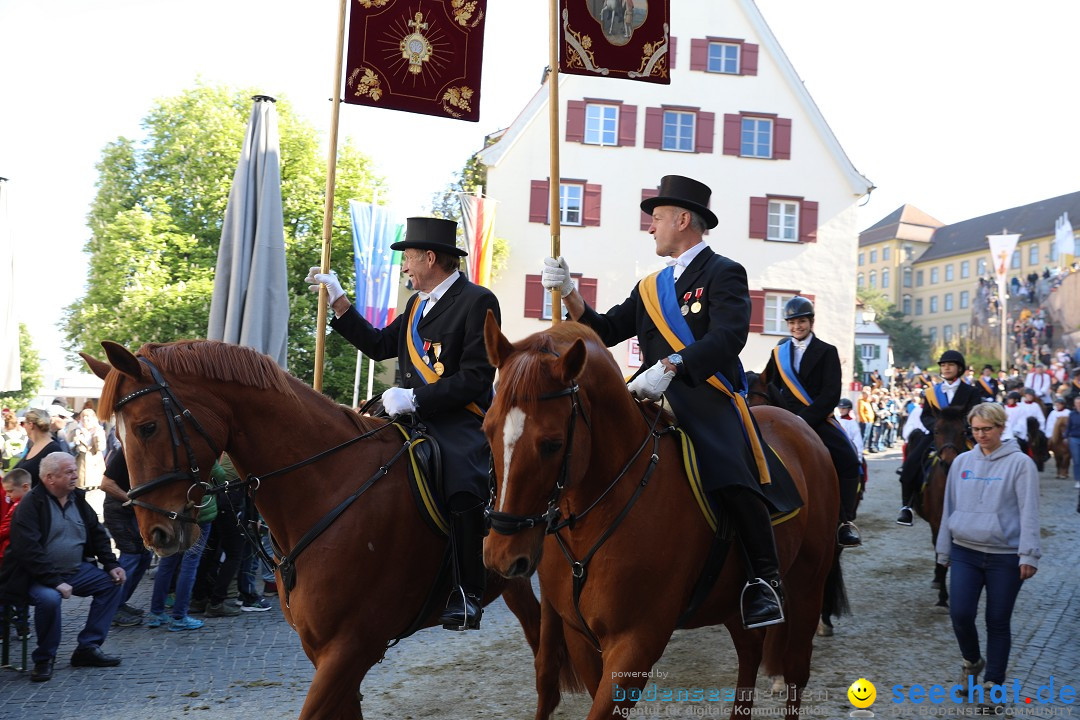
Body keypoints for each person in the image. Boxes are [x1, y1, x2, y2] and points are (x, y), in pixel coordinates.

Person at [540, 174, 791, 629]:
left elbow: (729, 335)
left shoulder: (724, 271)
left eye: (656, 219)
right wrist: (570, 291)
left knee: (729, 468)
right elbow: (606, 329)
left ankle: (764, 581)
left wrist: (674, 365)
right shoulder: (651, 286)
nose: (651, 228)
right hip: (647, 393)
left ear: (683, 219)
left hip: (704, 392)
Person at [306, 216, 500, 631]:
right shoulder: (415, 305)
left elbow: (477, 377)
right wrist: (340, 300)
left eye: (408, 259)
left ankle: (467, 593)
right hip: (405, 413)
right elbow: (379, 345)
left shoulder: (478, 300)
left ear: (431, 258)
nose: (405, 268)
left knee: (464, 487)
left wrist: (416, 396)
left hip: (456, 419)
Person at [935, 403, 1040, 696]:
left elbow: (1029, 510)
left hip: (1004, 556)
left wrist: (1029, 553)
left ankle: (994, 683)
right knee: (960, 614)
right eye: (976, 429)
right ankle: (972, 659)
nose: (981, 435)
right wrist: (944, 550)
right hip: (965, 551)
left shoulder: (1021, 465)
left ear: (1001, 427)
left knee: (997, 620)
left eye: (987, 429)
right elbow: (949, 508)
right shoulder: (961, 463)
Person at [0, 452, 126, 682]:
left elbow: (97, 533)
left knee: (112, 584)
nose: (75, 475)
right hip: (35, 576)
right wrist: (55, 582)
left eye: (74, 471)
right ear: (50, 478)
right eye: (68, 472)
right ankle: (44, 658)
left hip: (75, 570)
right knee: (49, 599)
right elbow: (28, 550)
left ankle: (87, 648)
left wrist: (111, 564)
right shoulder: (31, 504)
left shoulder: (76, 498)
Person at [763, 297, 862, 547]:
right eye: (793, 322)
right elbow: (769, 385)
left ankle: (845, 521)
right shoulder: (778, 353)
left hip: (816, 418)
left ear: (811, 322)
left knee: (849, 459)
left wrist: (802, 419)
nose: (797, 326)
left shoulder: (827, 351)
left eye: (802, 321)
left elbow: (830, 394)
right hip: (783, 416)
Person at [895, 350, 979, 526]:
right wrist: (938, 427)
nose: (946, 368)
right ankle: (907, 507)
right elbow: (926, 416)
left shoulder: (971, 391)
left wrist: (961, 427)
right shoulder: (932, 392)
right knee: (910, 464)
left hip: (962, 435)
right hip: (937, 435)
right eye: (943, 365)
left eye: (950, 365)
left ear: (959, 368)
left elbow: (975, 413)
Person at [99, 452, 154, 627]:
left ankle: (120, 602)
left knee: (145, 556)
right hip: (118, 511)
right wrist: (133, 502)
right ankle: (113, 608)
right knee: (132, 556)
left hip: (133, 512)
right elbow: (106, 484)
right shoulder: (124, 452)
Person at [13, 409, 63, 487]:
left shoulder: (53, 449)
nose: (23, 427)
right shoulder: (33, 445)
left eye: (23, 423)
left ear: (31, 425)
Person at [69, 408, 106, 490]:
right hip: (80, 467)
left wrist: (97, 437)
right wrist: (75, 442)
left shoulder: (99, 430)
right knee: (80, 490)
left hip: (95, 467)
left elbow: (101, 447)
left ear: (93, 418)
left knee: (94, 493)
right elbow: (69, 447)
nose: (85, 419)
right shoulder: (76, 431)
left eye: (87, 416)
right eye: (83, 416)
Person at [0, 468, 31, 562]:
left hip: (10, 554)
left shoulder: (20, 506)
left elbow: (4, 529)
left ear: (25, 487)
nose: (7, 495)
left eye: (10, 491)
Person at [1003, 389, 1043, 455]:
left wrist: (1016, 431)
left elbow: (1021, 422)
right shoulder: (1004, 408)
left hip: (1019, 432)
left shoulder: (1021, 409)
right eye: (1009, 399)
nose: (1009, 400)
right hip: (1005, 432)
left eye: (1011, 399)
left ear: (1016, 400)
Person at [1067, 395, 1080, 491]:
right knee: (1076, 460)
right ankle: (1078, 480)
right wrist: (1065, 436)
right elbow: (1069, 426)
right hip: (1074, 438)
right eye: (1076, 403)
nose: (1078, 405)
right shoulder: (1072, 414)